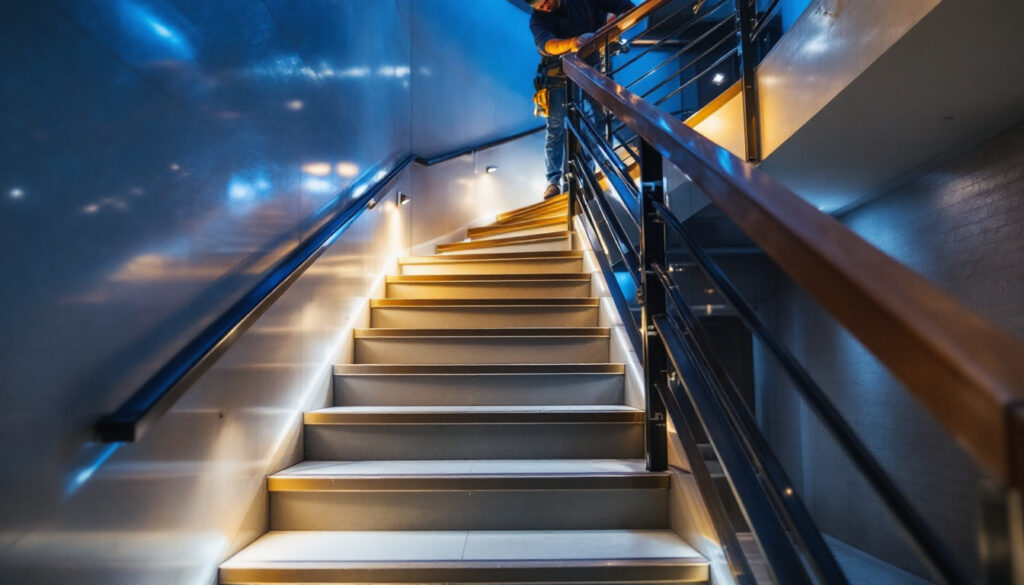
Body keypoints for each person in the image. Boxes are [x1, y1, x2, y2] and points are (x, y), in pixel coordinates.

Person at [528, 0, 635, 200]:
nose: (545, 7)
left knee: (600, 120)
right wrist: (574, 42)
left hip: (590, 70)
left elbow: (625, 6)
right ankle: (553, 182)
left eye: (546, 1)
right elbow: (546, 44)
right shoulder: (537, 19)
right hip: (558, 75)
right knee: (556, 127)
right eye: (540, 6)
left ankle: (595, 169)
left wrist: (609, 30)